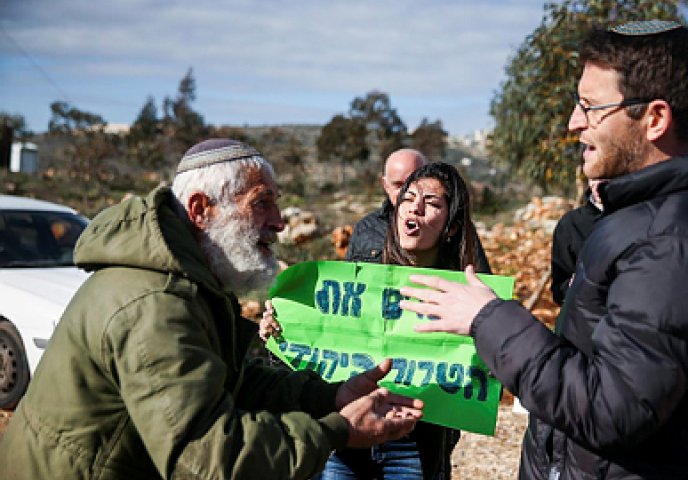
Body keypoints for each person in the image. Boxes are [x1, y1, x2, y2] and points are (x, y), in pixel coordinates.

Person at [399, 20, 688, 480]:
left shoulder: (672, 242)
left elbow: (611, 409)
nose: (575, 122)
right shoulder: (670, 220)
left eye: (591, 107)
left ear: (655, 119)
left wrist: (488, 319)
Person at [0, 138, 423, 480]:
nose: (279, 222)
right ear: (201, 210)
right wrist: (339, 430)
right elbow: (207, 457)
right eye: (261, 203)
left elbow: (225, 379)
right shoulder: (155, 304)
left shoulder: (191, 280)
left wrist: (330, 396)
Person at [262, 162, 487, 480]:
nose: (415, 208)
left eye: (432, 203)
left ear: (451, 226)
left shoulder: (465, 294)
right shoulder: (360, 282)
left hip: (413, 446)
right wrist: (279, 333)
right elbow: (311, 357)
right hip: (350, 437)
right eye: (408, 199)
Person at [345, 148, 491, 273]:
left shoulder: (462, 234)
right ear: (385, 185)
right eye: (399, 186)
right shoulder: (365, 228)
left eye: (431, 203)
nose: (414, 207)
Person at [550, 179, 604, 305]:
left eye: (605, 177)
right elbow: (559, 290)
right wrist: (571, 287)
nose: (598, 184)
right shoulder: (570, 224)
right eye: (594, 178)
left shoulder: (639, 217)